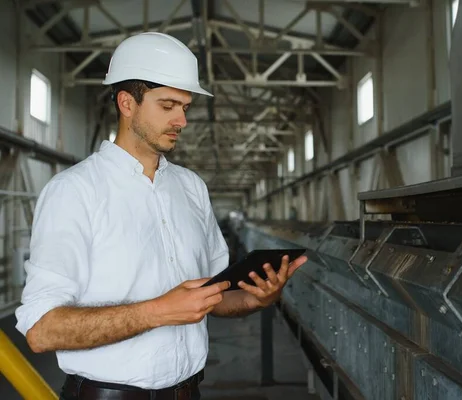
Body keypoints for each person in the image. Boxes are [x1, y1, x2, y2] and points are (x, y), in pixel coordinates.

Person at [15, 32, 307, 400]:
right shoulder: (74, 191)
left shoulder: (191, 188)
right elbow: (42, 330)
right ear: (126, 103)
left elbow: (214, 296)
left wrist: (257, 298)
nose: (181, 120)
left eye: (185, 107)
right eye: (168, 105)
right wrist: (156, 312)